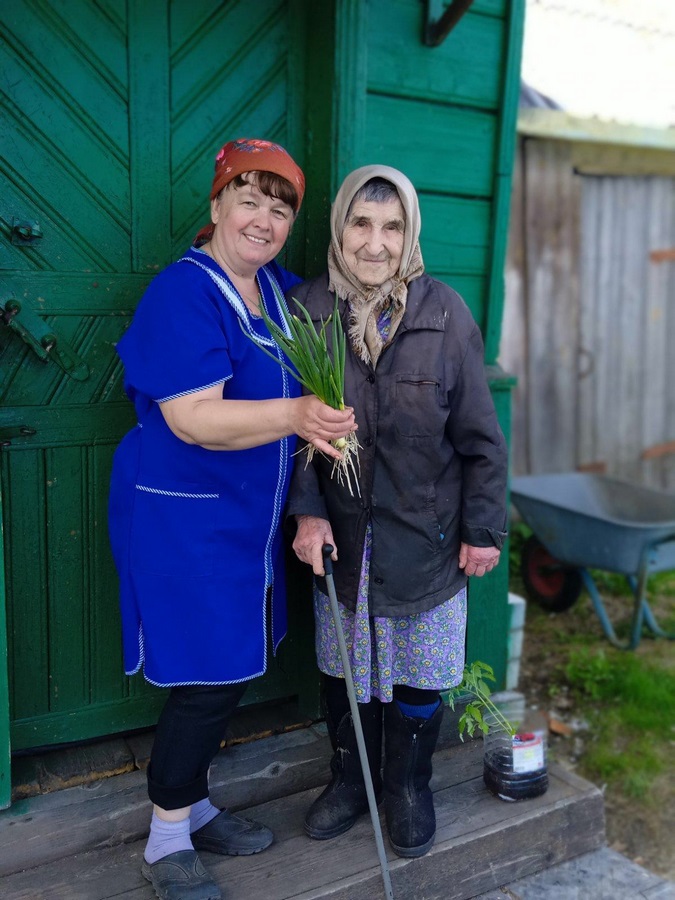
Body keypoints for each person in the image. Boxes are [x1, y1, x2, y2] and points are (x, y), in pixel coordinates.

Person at [108, 138, 355, 900]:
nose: (264, 219)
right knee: (206, 679)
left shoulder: (275, 293)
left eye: (279, 208)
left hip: (244, 523)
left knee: (232, 667)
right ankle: (165, 840)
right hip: (184, 521)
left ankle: (195, 805)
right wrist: (298, 413)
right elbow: (190, 418)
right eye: (248, 200)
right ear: (215, 207)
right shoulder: (184, 292)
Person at [287, 165, 508, 859]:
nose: (375, 243)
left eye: (391, 226)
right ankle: (351, 781)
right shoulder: (307, 309)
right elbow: (287, 436)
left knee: (420, 669)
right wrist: (307, 512)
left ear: (409, 232)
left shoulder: (444, 314)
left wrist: (481, 530)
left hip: (427, 536)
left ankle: (408, 786)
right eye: (360, 223)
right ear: (339, 228)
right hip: (344, 533)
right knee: (344, 666)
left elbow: (480, 438)